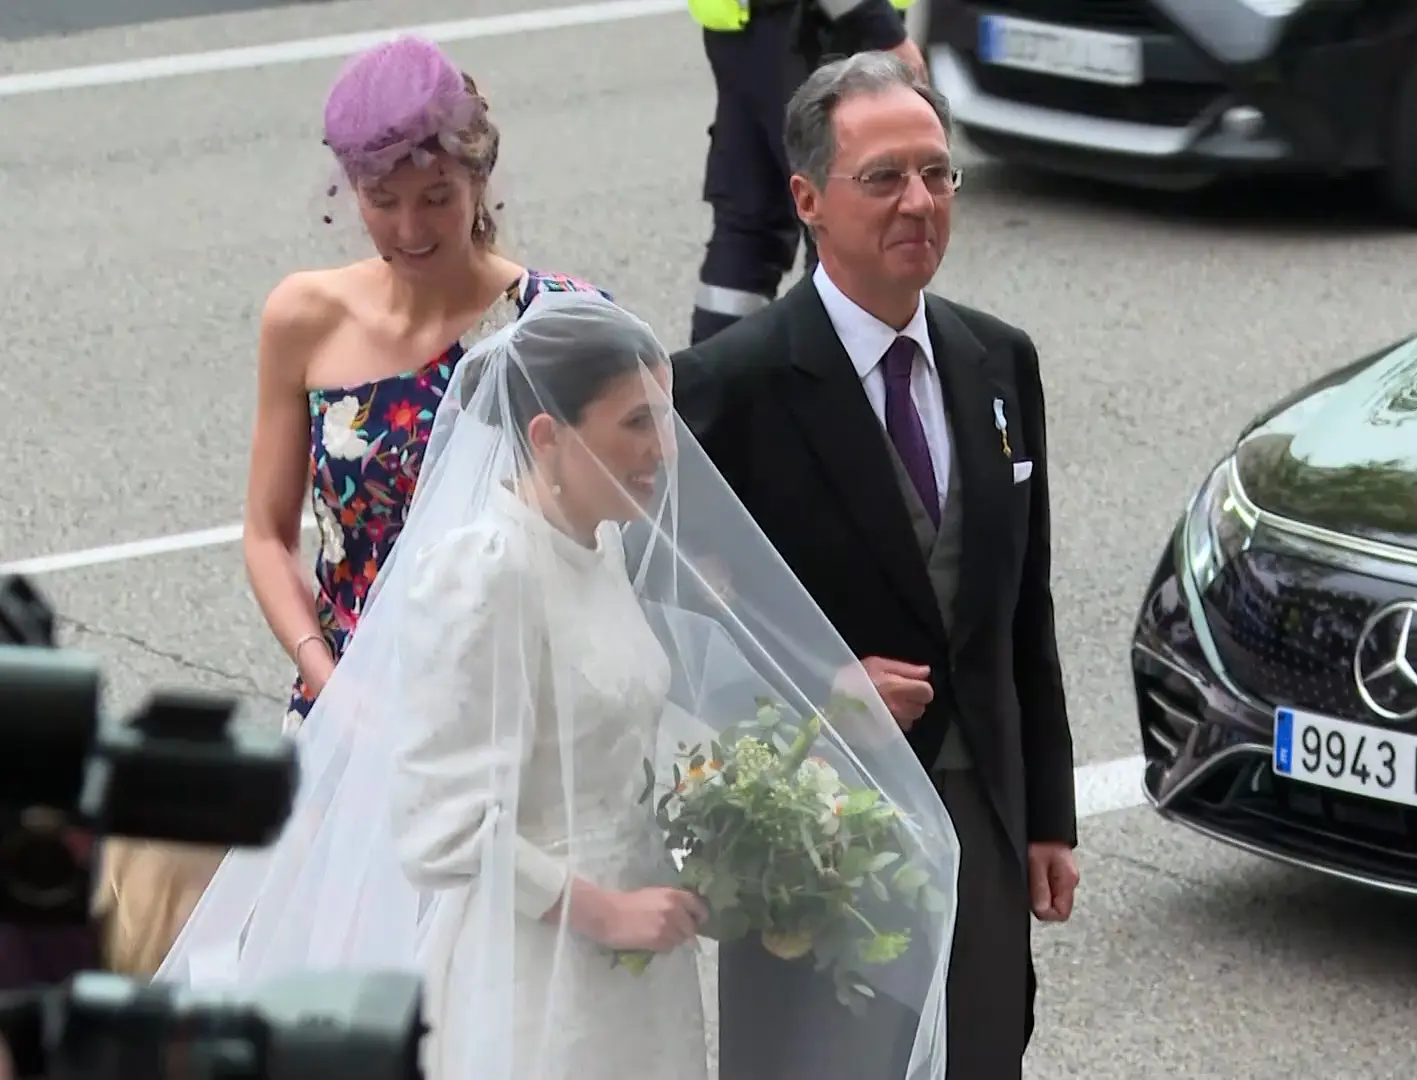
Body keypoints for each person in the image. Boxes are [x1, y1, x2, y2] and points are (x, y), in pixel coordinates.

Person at [154, 291, 960, 1080]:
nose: (666, 450)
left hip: (638, 955)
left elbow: (622, 730)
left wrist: (765, 803)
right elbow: (440, 826)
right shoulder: (483, 574)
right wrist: (603, 911)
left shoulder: (597, 547)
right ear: (549, 436)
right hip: (536, 968)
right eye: (636, 424)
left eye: (664, 420)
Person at [92, 35, 608, 983]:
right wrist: (328, 681)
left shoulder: (555, 325)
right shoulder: (304, 318)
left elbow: (612, 535)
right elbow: (265, 533)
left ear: (478, 178)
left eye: (436, 199)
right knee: (327, 980)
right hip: (345, 715)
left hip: (498, 722)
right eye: (384, 202)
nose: (410, 229)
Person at [673, 50, 1080, 1080]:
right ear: (807, 199)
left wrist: (1046, 818)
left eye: (938, 174)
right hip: (817, 822)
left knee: (981, 1050)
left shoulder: (1001, 362)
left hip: (977, 814)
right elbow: (670, 620)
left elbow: (1022, 609)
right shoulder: (734, 385)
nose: (920, 203)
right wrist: (822, 696)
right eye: (885, 178)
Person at [688, 0, 925, 345]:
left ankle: (713, 384)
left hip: (743, 31)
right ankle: (830, 383)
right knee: (843, 227)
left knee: (751, 225)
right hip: (823, 27)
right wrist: (880, 25)